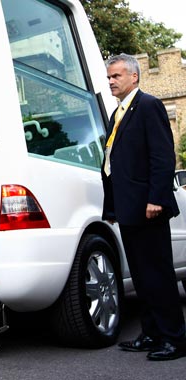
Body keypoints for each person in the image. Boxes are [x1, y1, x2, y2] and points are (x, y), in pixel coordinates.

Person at [102, 53, 186, 360]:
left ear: (134, 77)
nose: (111, 81)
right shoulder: (118, 114)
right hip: (128, 208)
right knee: (141, 275)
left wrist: (156, 198)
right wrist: (112, 208)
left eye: (116, 76)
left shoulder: (148, 105)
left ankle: (175, 339)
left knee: (159, 275)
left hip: (148, 207)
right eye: (109, 76)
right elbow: (115, 162)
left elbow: (163, 157)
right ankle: (151, 334)